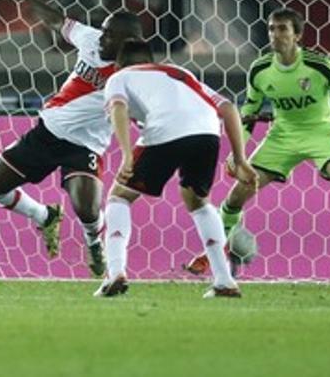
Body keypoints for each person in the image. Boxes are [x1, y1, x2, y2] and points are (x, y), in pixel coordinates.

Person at [183, 8, 330, 282]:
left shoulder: (320, 66)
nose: (276, 34)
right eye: (272, 28)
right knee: (237, 195)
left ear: (297, 35)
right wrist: (238, 153)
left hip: (322, 132)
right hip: (283, 136)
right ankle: (213, 254)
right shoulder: (260, 70)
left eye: (283, 29)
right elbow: (249, 114)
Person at [0, 0, 144, 276]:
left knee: (87, 209)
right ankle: (44, 216)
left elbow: (143, 116)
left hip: (85, 147)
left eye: (110, 35)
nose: (102, 37)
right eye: (103, 31)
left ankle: (94, 242)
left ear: (127, 42)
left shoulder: (133, 77)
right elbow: (56, 20)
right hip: (47, 133)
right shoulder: (90, 40)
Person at [95, 39, 256, 298]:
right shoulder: (180, 73)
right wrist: (240, 159)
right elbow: (227, 107)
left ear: (118, 65)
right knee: (198, 201)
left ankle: (115, 273)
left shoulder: (119, 77)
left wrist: (126, 155)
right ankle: (224, 280)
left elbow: (118, 107)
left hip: (166, 129)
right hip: (207, 132)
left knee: (119, 196)